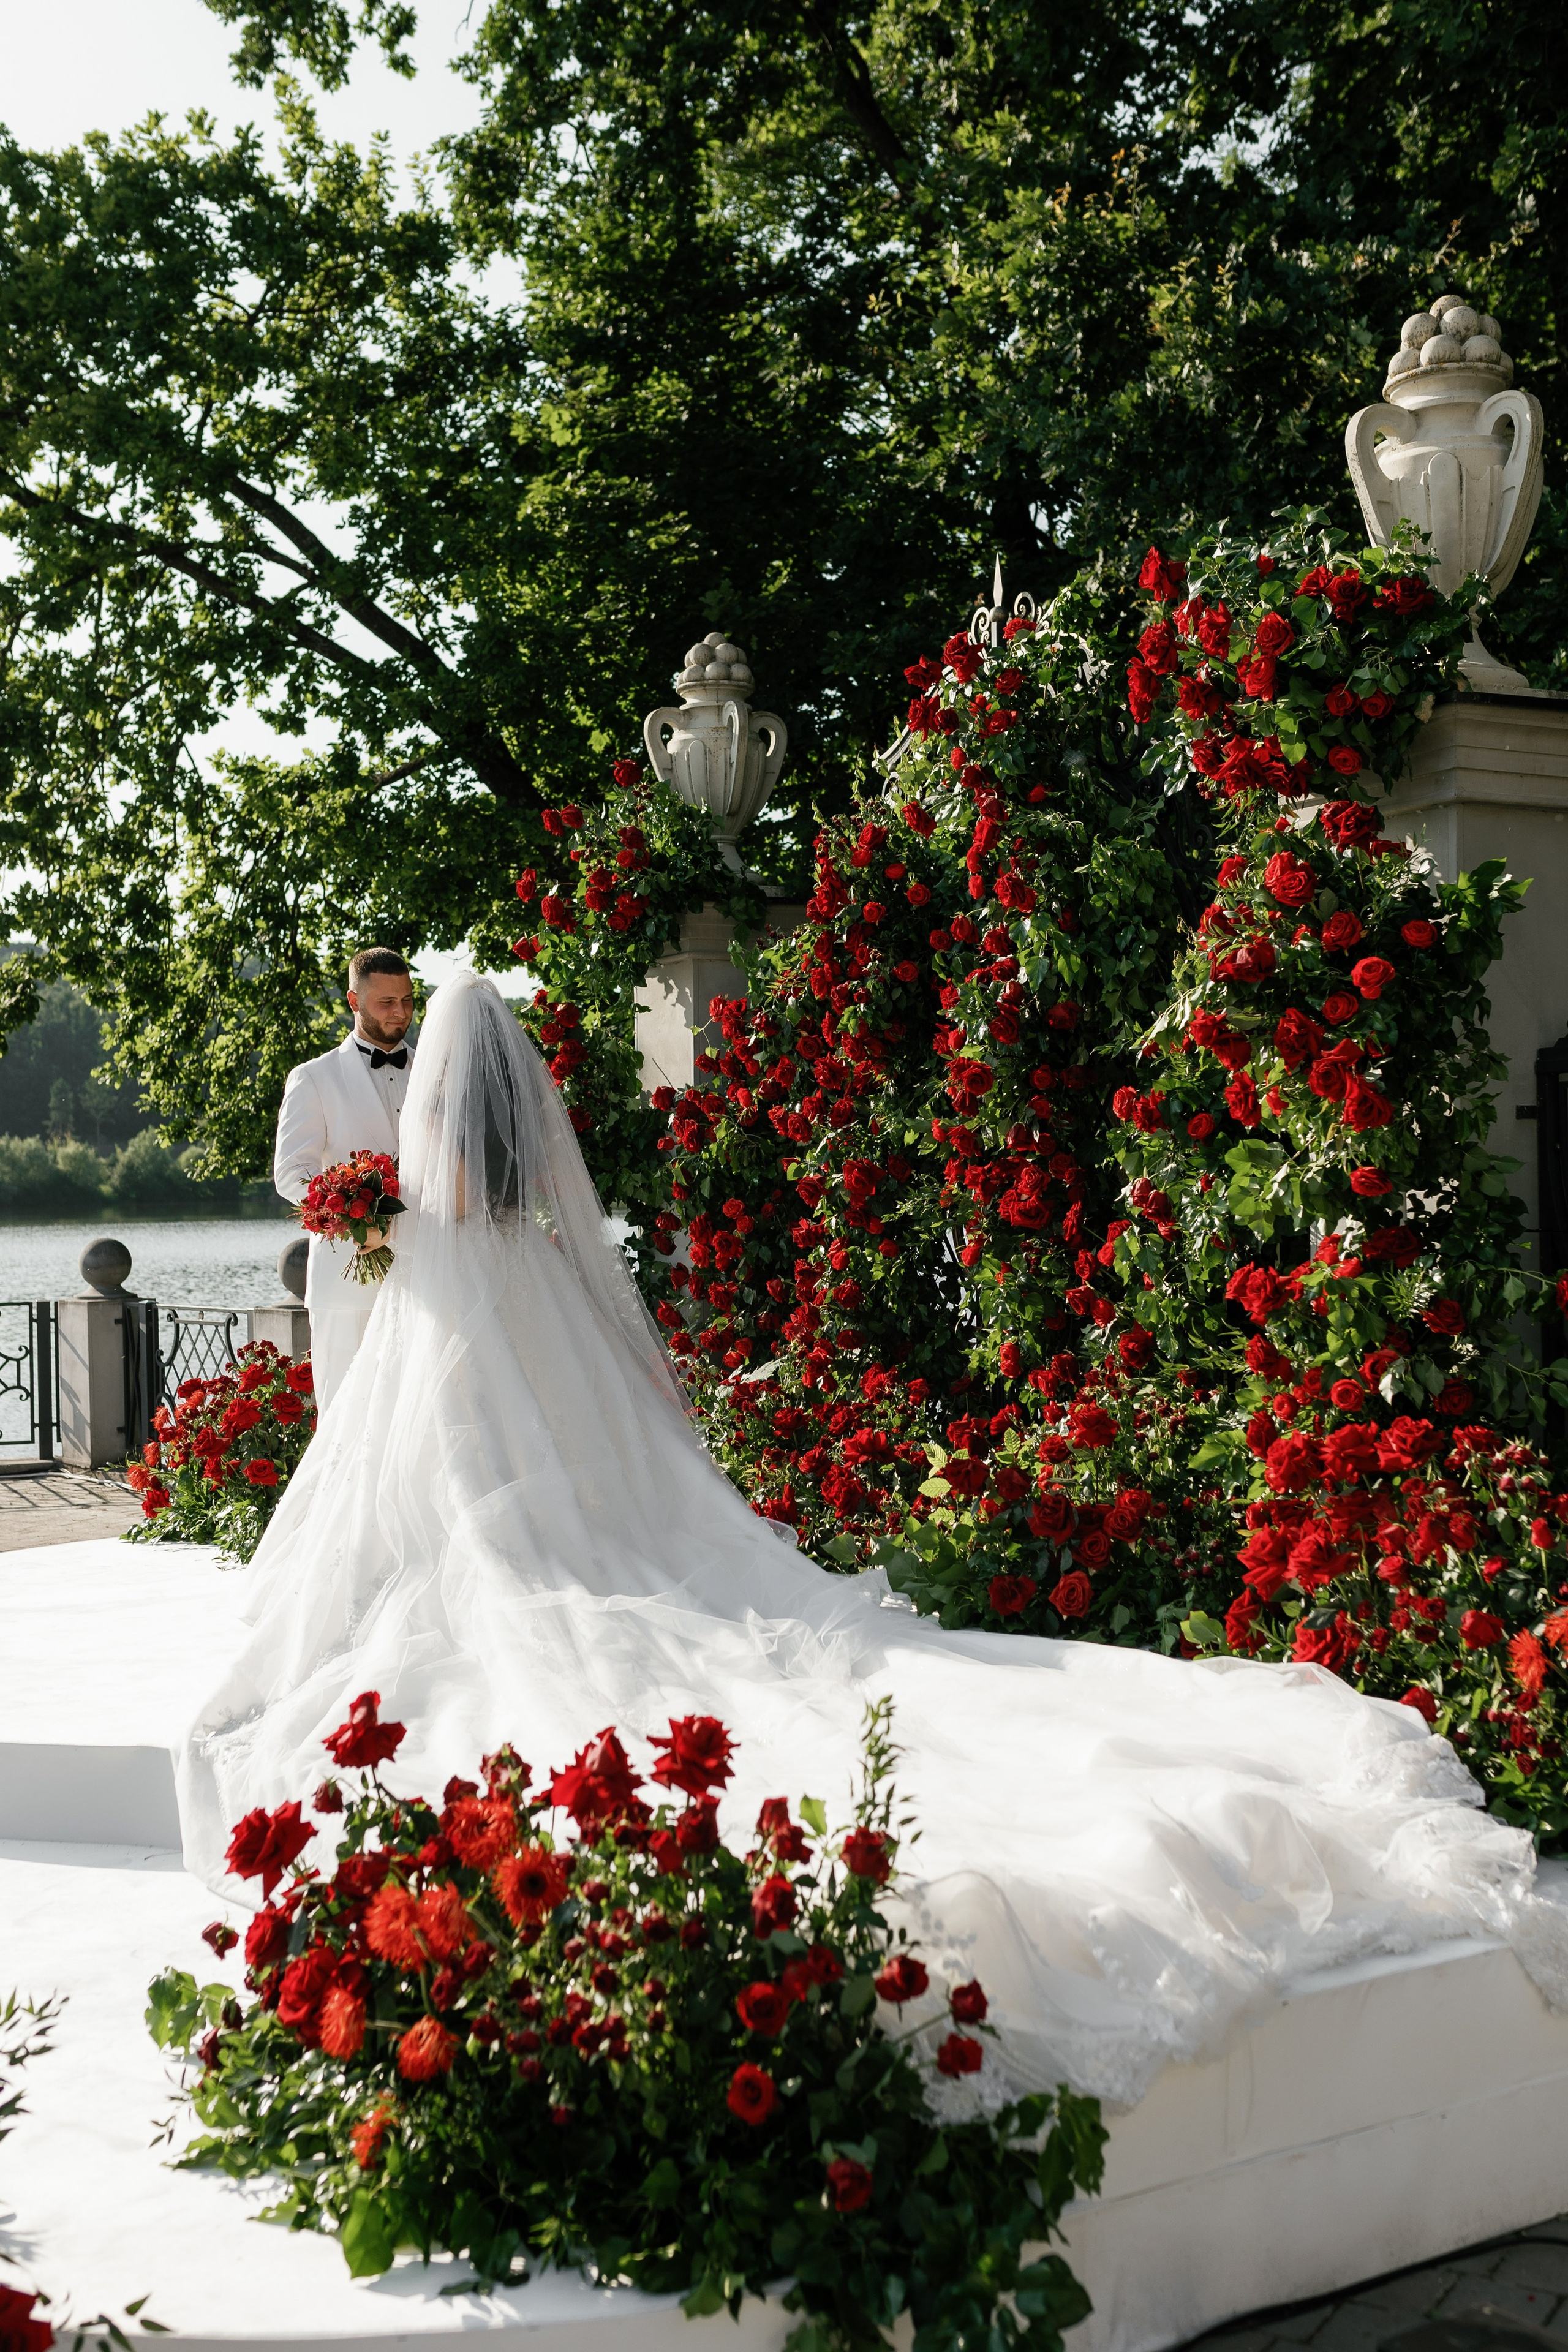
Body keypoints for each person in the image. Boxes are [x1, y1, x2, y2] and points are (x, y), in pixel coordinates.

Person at [181, 973, 1566, 2105]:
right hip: (551, 1357)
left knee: (475, 1529)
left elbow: (392, 1447)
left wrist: (387, 1220)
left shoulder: (432, 1254)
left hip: (471, 1372)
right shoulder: (543, 1253)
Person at [272, 948, 417, 1409]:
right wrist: (353, 1215)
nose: (401, 1013)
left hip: (429, 1272)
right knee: (347, 1411)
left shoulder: (440, 1073)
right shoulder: (313, 1078)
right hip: (347, 1279)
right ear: (354, 1002)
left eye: (409, 1000)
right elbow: (292, 1174)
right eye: (386, 1002)